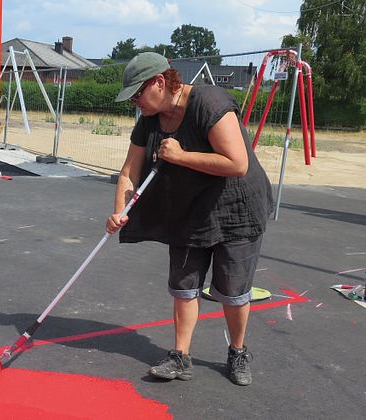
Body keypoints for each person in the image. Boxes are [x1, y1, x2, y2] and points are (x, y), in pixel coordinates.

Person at [106, 52, 273, 386]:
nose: (136, 103)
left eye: (138, 95)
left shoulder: (210, 103)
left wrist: (180, 156)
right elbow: (129, 171)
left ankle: (237, 352)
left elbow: (237, 163)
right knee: (184, 286)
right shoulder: (150, 120)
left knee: (233, 289)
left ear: (159, 82)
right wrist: (119, 210)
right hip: (188, 209)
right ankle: (180, 356)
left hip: (236, 208)